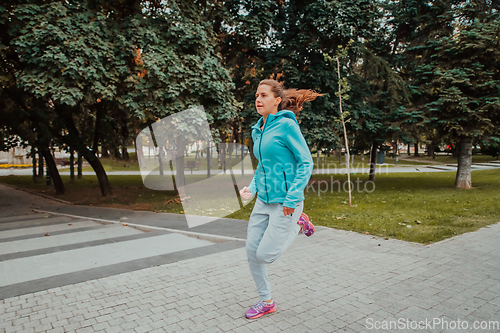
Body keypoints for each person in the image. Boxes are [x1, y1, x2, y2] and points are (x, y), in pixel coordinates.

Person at [239, 79, 322, 320]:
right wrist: (252, 188)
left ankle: (298, 224)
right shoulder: (258, 130)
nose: (258, 99)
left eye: (264, 95)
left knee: (265, 255)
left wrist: (293, 197)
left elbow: (306, 162)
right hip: (264, 200)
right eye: (256, 94)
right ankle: (266, 301)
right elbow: (263, 166)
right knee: (251, 251)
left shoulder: (287, 126)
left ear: (277, 101)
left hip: (287, 202)